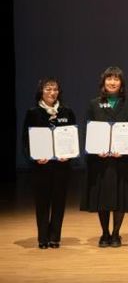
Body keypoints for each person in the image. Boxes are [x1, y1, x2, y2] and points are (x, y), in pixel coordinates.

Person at [81, 66, 128, 248]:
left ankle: (115, 234)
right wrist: (95, 149)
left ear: (121, 83)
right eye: (109, 79)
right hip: (99, 161)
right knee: (103, 198)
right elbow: (88, 130)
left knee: (120, 198)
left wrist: (125, 149)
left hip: (122, 160)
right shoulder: (94, 104)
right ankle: (105, 233)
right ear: (103, 82)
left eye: (116, 79)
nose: (112, 82)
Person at [22, 77, 77, 249]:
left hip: (61, 166)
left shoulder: (67, 112)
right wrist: (34, 157)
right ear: (41, 92)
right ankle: (42, 238)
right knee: (42, 202)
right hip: (41, 166)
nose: (52, 93)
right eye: (48, 89)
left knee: (59, 202)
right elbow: (26, 140)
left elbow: (73, 137)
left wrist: (69, 155)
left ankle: (55, 237)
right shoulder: (33, 113)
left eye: (55, 89)